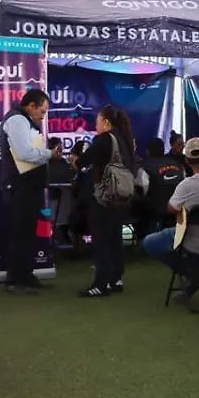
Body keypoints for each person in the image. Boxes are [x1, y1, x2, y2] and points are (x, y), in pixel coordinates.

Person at [141, 137, 199, 300]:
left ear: (187, 161)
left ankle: (191, 272)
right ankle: (195, 273)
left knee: (149, 242)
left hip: (194, 242)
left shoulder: (187, 185)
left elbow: (172, 208)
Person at [73, 106, 139, 297]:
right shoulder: (124, 139)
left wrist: (75, 160)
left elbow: (83, 161)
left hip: (104, 196)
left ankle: (100, 283)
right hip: (121, 195)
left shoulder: (104, 140)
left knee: (101, 240)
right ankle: (115, 278)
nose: (96, 125)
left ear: (106, 122)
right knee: (115, 238)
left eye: (98, 121)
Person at [1, 89, 57, 295]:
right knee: (20, 233)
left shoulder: (24, 120)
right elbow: (25, 153)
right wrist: (49, 154)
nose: (42, 116)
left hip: (28, 185)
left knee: (27, 233)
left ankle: (26, 274)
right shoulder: (17, 120)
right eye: (41, 112)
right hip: (19, 185)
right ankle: (15, 280)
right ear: (31, 106)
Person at [139, 137, 187, 233]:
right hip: (177, 212)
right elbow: (185, 184)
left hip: (155, 214)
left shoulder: (145, 167)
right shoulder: (178, 165)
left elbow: (142, 189)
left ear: (148, 151)